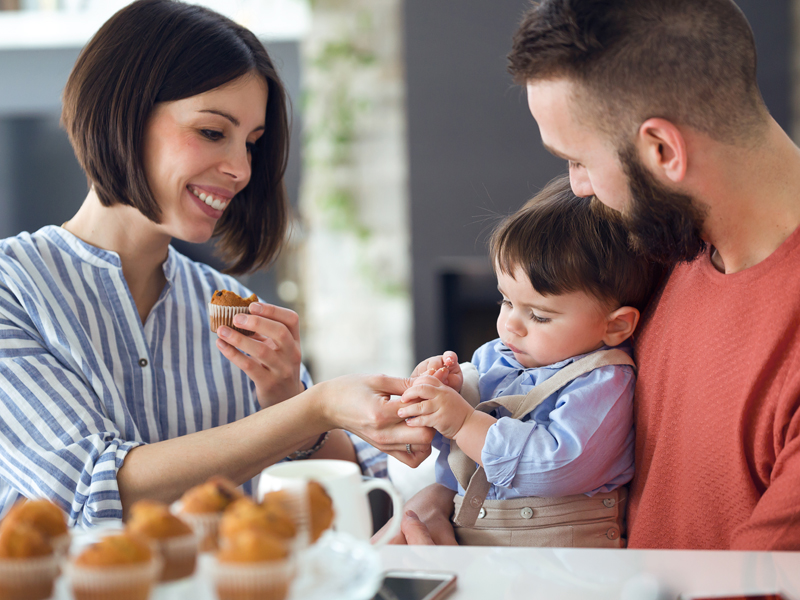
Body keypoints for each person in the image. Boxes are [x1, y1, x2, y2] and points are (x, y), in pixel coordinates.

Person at [0, 0, 432, 527]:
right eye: (212, 132)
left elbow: (349, 504)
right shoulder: (14, 289)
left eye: (252, 144)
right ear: (122, 111)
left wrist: (286, 400)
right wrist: (311, 408)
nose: (240, 169)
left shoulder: (232, 307)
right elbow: (93, 490)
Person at [400, 0, 800, 550]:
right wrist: (442, 499)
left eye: (579, 161)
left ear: (662, 150)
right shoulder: (658, 242)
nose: (579, 188)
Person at [395, 176, 660, 546]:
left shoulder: (604, 382)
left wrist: (463, 420)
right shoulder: (498, 355)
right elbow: (464, 460)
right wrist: (450, 394)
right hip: (482, 542)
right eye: (505, 301)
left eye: (539, 315)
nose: (510, 326)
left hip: (565, 563)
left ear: (615, 326)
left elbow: (557, 466)